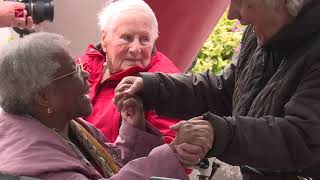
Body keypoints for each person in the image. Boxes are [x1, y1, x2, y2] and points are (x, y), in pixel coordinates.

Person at [114, 0, 320, 179]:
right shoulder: (262, 34)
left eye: (240, 1)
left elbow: (302, 135)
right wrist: (155, 88)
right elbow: (227, 92)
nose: (231, 14)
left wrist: (219, 133)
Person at [0, 32, 213, 180]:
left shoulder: (69, 125)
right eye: (73, 71)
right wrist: (171, 153)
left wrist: (133, 129)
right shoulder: (35, 164)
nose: (85, 73)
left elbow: (112, 166)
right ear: (43, 98)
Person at [78, 0, 181, 144]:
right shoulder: (86, 64)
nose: (135, 49)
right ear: (104, 39)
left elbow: (173, 157)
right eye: (126, 38)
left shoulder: (166, 85)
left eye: (145, 39)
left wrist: (139, 130)